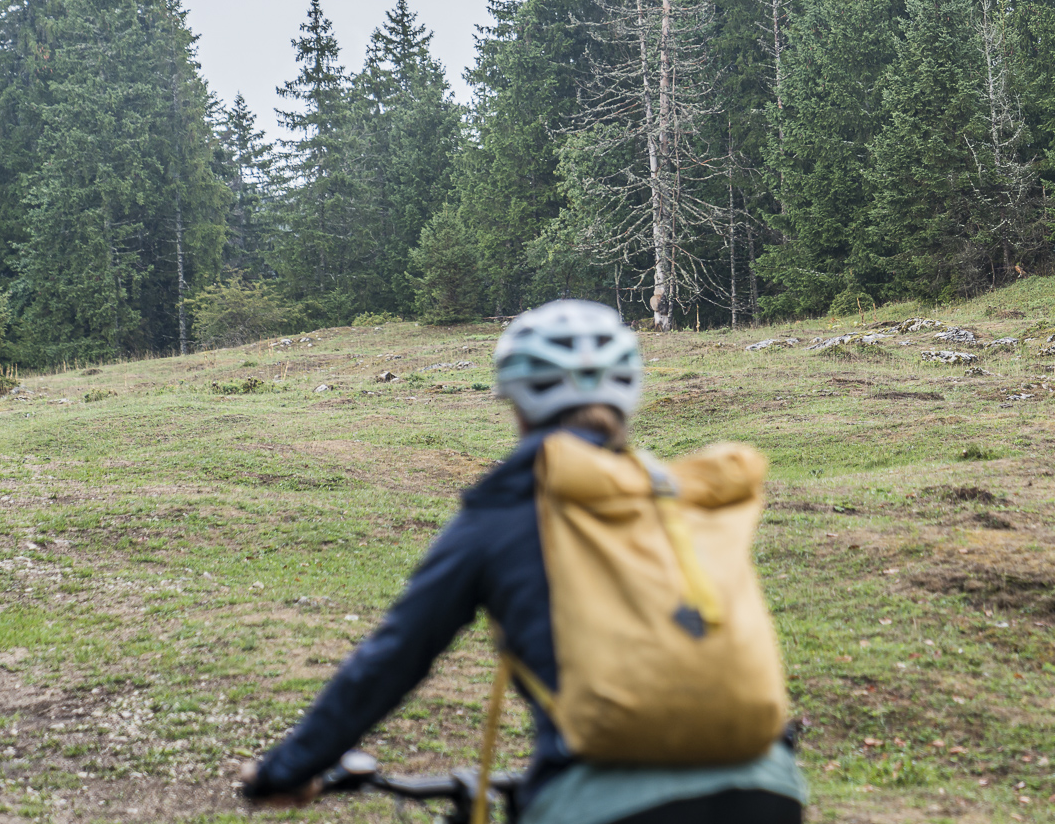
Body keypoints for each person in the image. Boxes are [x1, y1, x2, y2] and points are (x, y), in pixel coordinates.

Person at [236, 299, 807, 823]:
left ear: (517, 400)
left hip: (605, 805)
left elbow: (395, 657)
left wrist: (287, 769)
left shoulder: (505, 512)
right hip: (769, 787)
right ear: (625, 396)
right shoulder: (676, 498)